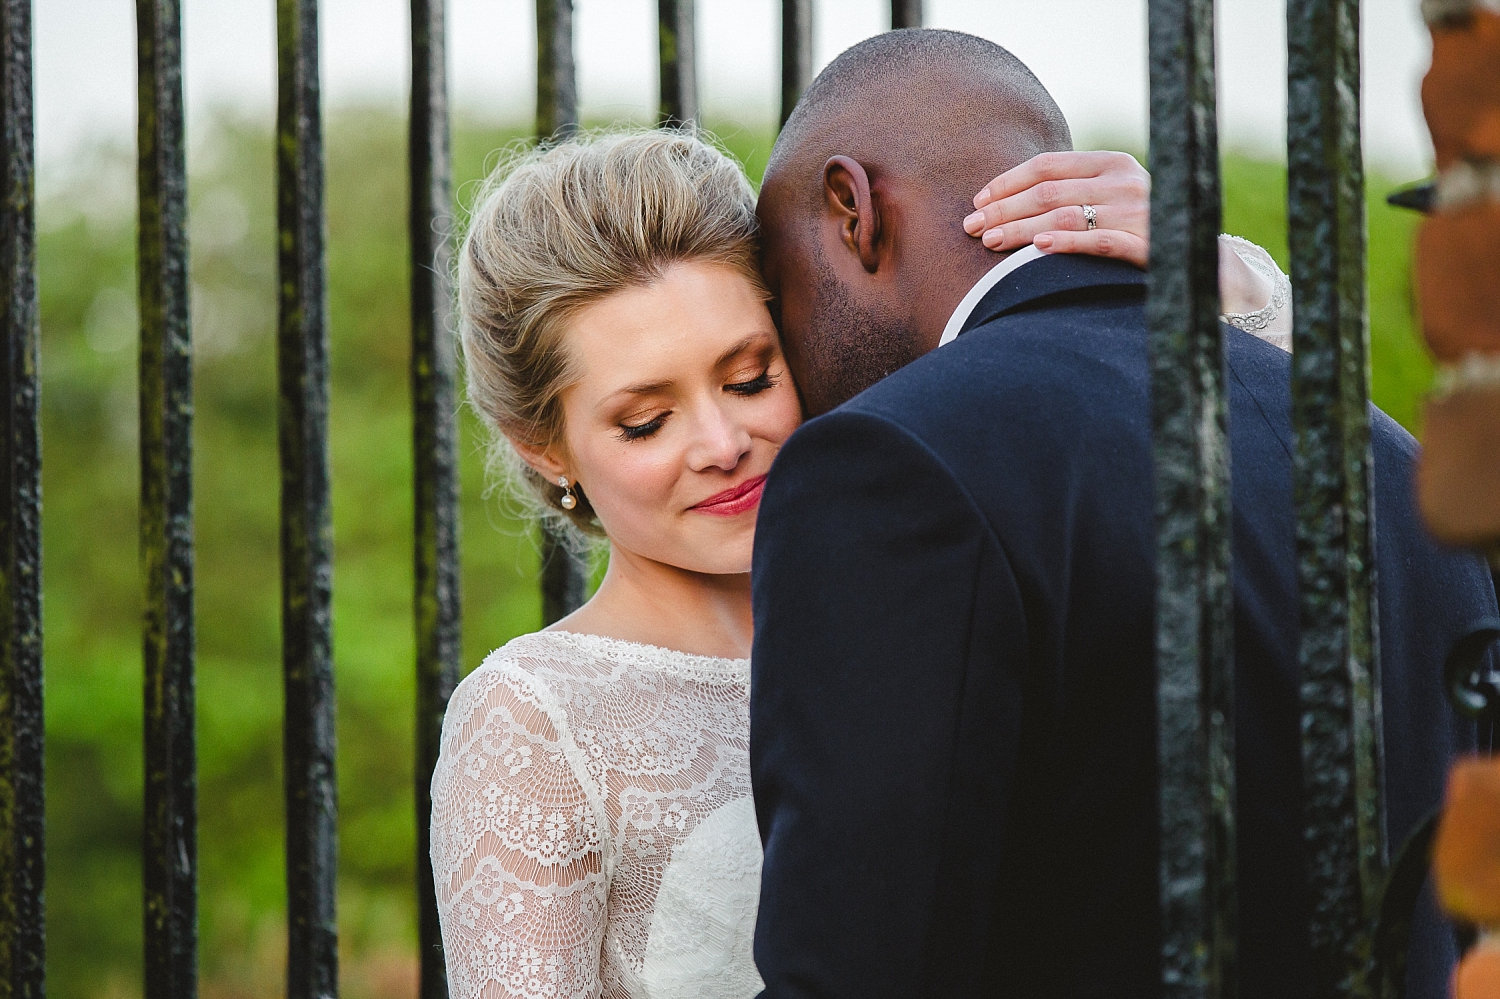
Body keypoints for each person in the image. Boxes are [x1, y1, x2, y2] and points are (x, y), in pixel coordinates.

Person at [427, 130, 1289, 999]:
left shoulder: (924, 597)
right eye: (647, 421)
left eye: (752, 378)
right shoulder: (530, 722)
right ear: (544, 447)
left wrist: (1229, 291)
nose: (724, 445)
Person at [747, 28, 1499, 999]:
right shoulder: (1393, 462)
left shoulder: (889, 460)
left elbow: (856, 968)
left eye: (778, 283)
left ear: (851, 208)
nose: (782, 361)